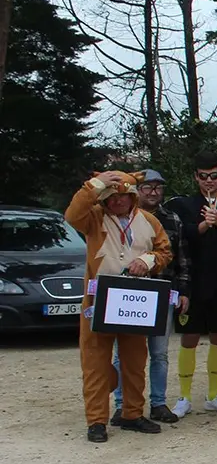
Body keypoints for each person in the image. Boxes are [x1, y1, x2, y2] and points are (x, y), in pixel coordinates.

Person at [65, 171, 172, 442]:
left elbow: (165, 251)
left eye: (123, 196)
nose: (117, 202)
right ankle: (97, 420)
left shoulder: (148, 221)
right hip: (98, 300)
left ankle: (132, 413)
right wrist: (97, 183)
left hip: (135, 300)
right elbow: (72, 214)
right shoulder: (93, 218)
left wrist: (148, 261)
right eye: (111, 197)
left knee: (135, 361)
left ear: (132, 196)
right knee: (95, 362)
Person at [166, 149, 217, 418]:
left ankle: (214, 394)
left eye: (213, 176)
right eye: (203, 177)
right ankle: (185, 396)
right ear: (196, 178)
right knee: (189, 337)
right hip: (195, 283)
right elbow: (179, 240)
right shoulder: (183, 205)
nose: (209, 181)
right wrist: (202, 226)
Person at [107, 170, 189, 425]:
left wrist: (184, 290)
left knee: (160, 353)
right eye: (148, 188)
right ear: (136, 191)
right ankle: (122, 405)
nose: (153, 193)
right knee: (124, 354)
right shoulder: (116, 218)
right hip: (128, 291)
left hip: (162, 290)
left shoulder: (172, 218)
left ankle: (158, 403)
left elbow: (181, 257)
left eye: (158, 188)